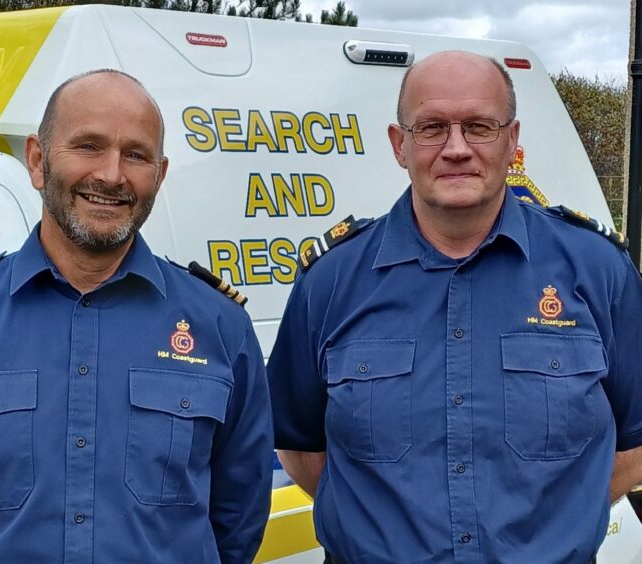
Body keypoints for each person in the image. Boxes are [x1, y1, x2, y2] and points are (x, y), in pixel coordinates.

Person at [267, 51, 642, 563]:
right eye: (433, 127)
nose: (457, 149)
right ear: (400, 146)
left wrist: (566, 512)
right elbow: (300, 446)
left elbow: (638, 437)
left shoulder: (598, 271)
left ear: (512, 142)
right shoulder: (330, 282)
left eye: (480, 126)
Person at [0, 69, 273, 563]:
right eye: (88, 146)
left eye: (136, 154)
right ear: (37, 159)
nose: (111, 175)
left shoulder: (219, 327)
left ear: (158, 173)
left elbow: (237, 521)